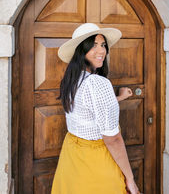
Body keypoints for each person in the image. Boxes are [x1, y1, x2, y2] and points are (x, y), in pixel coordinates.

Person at [51, 23, 140, 194]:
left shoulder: (72, 79)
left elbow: (90, 107)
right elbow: (113, 139)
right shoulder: (98, 83)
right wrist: (130, 178)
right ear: (81, 51)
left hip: (72, 156)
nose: (101, 51)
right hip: (96, 159)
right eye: (93, 46)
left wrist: (119, 97)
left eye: (103, 45)